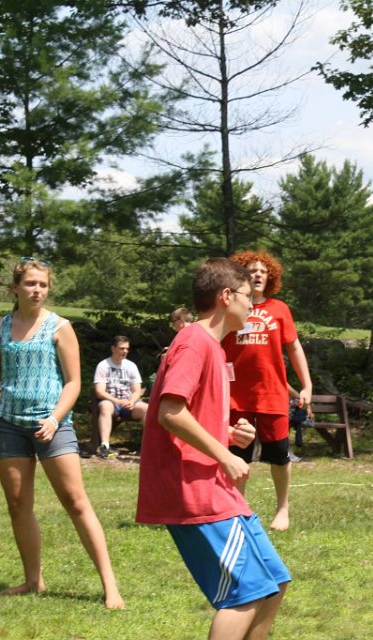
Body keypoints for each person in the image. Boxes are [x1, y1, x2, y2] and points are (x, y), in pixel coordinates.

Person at [136, 257, 290, 640]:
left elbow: (189, 414)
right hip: (194, 488)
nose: (252, 304)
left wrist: (226, 434)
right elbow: (170, 413)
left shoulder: (214, 348)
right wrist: (224, 455)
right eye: (246, 295)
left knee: (274, 582)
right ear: (226, 296)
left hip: (214, 486)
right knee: (246, 593)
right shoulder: (194, 342)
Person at [0, 258, 124, 609]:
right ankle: (33, 580)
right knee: (18, 504)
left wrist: (55, 419)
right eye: (30, 284)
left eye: (42, 284)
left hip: (53, 426)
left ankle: (110, 586)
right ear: (15, 288)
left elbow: (73, 382)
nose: (37, 290)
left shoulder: (60, 327)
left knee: (75, 501)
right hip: (11, 424)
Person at [221, 250, 312, 532]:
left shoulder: (279, 309)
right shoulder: (230, 308)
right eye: (252, 270)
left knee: (279, 453)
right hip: (236, 396)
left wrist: (306, 385)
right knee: (238, 455)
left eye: (263, 270)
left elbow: (294, 347)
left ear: (270, 276)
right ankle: (237, 510)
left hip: (272, 394)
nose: (258, 274)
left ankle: (282, 508)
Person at [93, 335, 148, 458]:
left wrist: (132, 401)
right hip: (110, 401)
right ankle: (105, 446)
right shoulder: (103, 365)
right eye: (122, 348)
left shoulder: (131, 366)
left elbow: (137, 390)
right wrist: (117, 401)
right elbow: (99, 392)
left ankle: (148, 446)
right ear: (113, 348)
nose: (125, 351)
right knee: (106, 406)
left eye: (127, 349)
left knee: (146, 409)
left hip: (128, 403)